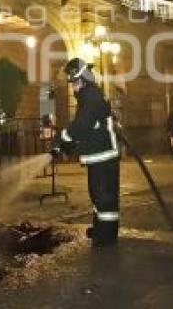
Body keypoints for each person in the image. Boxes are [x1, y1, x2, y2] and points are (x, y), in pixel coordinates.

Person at [52, 58, 120, 247]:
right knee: (97, 194)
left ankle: (106, 236)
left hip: (104, 156)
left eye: (74, 83)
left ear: (83, 79)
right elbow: (87, 129)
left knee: (104, 197)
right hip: (98, 155)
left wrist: (62, 138)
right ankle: (101, 228)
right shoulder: (88, 96)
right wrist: (70, 144)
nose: (73, 88)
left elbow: (81, 125)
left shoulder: (91, 97)